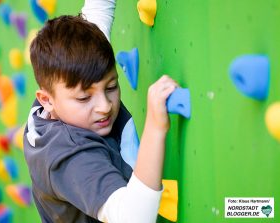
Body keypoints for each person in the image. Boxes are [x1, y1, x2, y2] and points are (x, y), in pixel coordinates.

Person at [23, 0, 179, 222]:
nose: (105, 106)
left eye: (111, 87)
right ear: (46, 100)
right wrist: (155, 126)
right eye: (85, 97)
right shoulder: (71, 158)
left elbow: (97, 12)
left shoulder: (68, 84)